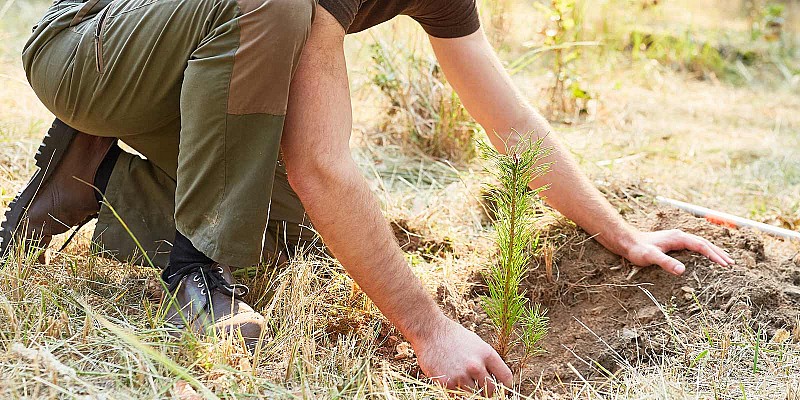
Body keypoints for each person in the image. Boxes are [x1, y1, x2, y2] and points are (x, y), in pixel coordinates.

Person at [0, 0, 734, 394]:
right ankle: (200, 273)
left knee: (288, 237)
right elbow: (322, 163)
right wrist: (429, 330)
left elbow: (506, 116)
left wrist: (621, 233)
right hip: (86, 48)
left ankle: (93, 180)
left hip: (183, 67)